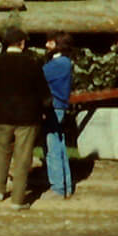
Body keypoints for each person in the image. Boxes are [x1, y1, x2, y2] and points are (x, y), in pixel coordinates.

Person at [0, 20, 49, 209]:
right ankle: (17, 200)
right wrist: (44, 111)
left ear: (6, 43)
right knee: (23, 158)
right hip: (27, 118)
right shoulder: (33, 64)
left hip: (2, 117)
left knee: (2, 153)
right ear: (22, 43)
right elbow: (44, 94)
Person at [42, 33, 76, 199]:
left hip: (54, 108)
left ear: (58, 44)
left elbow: (39, 75)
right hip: (59, 107)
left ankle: (57, 188)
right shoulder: (65, 62)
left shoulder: (58, 64)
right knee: (60, 146)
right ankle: (66, 186)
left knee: (52, 148)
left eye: (50, 42)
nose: (47, 45)